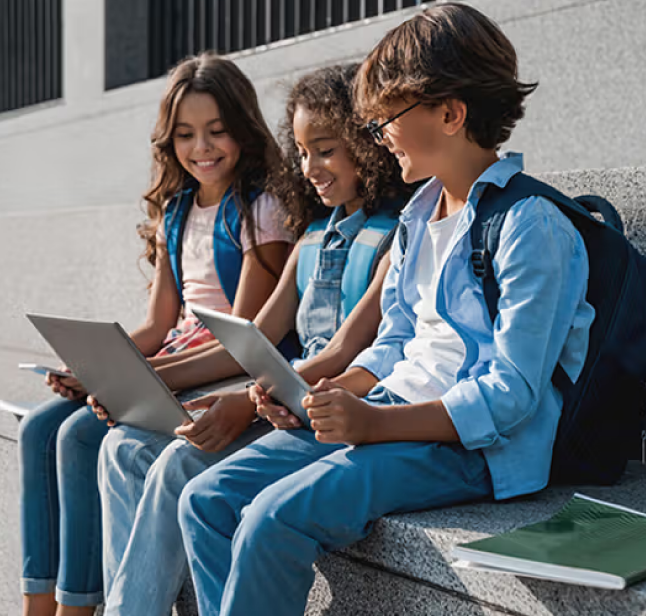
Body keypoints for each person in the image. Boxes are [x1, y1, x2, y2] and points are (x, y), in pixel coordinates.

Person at [177, 2, 597, 616]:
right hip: (388, 413)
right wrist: (317, 400)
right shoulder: (418, 217)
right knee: (206, 499)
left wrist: (374, 425)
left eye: (385, 121)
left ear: (450, 113)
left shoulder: (529, 226)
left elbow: (511, 394)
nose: (377, 138)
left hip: (470, 449)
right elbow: (392, 346)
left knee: (272, 518)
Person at [96, 63, 413, 616]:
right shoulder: (311, 238)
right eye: (303, 151)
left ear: (368, 143)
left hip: (335, 414)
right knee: (126, 449)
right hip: (283, 407)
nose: (310, 167)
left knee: (181, 471)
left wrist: (246, 405)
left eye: (326, 149)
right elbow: (254, 340)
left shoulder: (395, 238)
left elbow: (347, 354)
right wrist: (138, 380)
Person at [18, 53, 294, 616]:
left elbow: (240, 348)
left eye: (217, 131)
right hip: (174, 366)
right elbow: (157, 325)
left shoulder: (258, 210)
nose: (203, 148)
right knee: (40, 428)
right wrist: (94, 365)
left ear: (243, 127)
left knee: (79, 438)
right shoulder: (176, 210)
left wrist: (133, 378)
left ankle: (84, 605)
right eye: (186, 134)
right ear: (169, 141)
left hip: (216, 376)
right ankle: (40, 603)